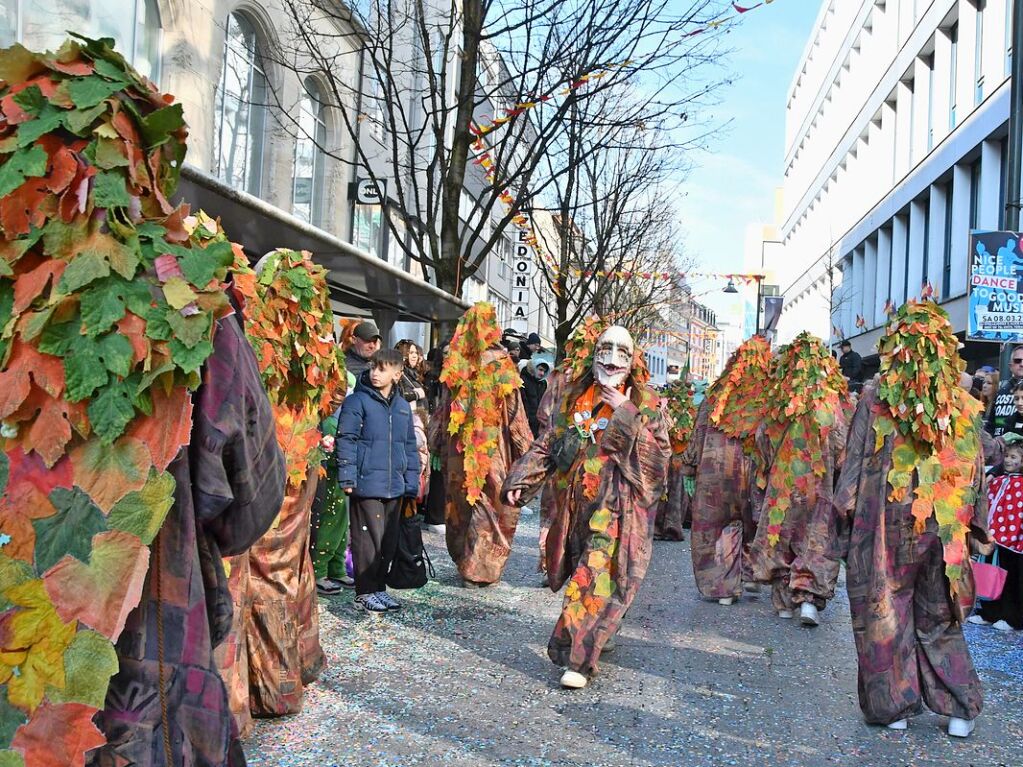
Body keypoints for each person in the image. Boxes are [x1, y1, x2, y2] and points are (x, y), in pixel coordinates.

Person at [833, 300, 987, 738]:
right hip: (941, 527)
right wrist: (975, 526)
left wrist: (844, 517)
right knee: (938, 616)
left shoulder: (874, 397)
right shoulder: (960, 402)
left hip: (883, 526)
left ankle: (894, 706)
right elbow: (974, 469)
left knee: (885, 613)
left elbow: (855, 461)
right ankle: (959, 707)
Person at [503, 324, 670, 689]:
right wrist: (522, 478)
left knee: (592, 576)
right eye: (605, 350)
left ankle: (578, 661)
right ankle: (601, 630)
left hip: (618, 510)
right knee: (590, 575)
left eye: (621, 352)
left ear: (632, 360)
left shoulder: (647, 404)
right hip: (575, 506)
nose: (611, 361)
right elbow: (550, 443)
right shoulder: (577, 397)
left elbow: (657, 463)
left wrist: (625, 412)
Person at [749, 333, 848, 625]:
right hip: (819, 486)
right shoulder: (830, 403)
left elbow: (762, 439)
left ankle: (782, 602)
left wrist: (767, 467)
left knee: (781, 536)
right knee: (815, 541)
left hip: (783, 483)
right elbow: (842, 444)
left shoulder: (779, 400)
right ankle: (807, 600)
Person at [432, 304, 534, 586]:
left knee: (465, 500)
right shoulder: (496, 361)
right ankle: (476, 564)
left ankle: (470, 561)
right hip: (485, 444)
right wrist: (525, 448)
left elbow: (442, 408)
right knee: (484, 500)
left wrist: (437, 440)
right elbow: (515, 411)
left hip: (463, 443)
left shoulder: (458, 360)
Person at [682, 336, 772, 606]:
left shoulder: (715, 396)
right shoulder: (768, 399)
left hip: (716, 474)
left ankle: (723, 587)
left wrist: (689, 465)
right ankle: (749, 573)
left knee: (718, 527)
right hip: (754, 474)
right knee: (751, 525)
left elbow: (698, 433)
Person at [337, 349, 421, 612]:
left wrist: (411, 483)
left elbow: (409, 445)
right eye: (373, 367)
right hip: (366, 483)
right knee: (367, 540)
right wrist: (348, 475)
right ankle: (364, 591)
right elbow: (346, 439)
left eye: (382, 369)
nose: (375, 373)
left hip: (394, 485)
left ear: (397, 374)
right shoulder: (357, 402)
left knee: (388, 540)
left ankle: (379, 588)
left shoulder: (402, 407)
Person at [969, 441, 1023, 632]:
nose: (1008, 460)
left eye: (1013, 457)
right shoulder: (999, 480)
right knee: (988, 572)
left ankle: (1012, 617)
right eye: (1007, 456)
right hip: (994, 536)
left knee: (1010, 577)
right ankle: (989, 612)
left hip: (1014, 540)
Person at [987, 345, 1023, 436]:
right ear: (1010, 366)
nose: (1022, 364)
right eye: (1017, 361)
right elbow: (991, 422)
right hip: (998, 444)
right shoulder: (1001, 390)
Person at [520, 358, 550, 437]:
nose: (542, 373)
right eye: (540, 369)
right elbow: (523, 402)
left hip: (538, 424)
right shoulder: (522, 381)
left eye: (544, 371)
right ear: (533, 368)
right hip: (525, 422)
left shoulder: (542, 384)